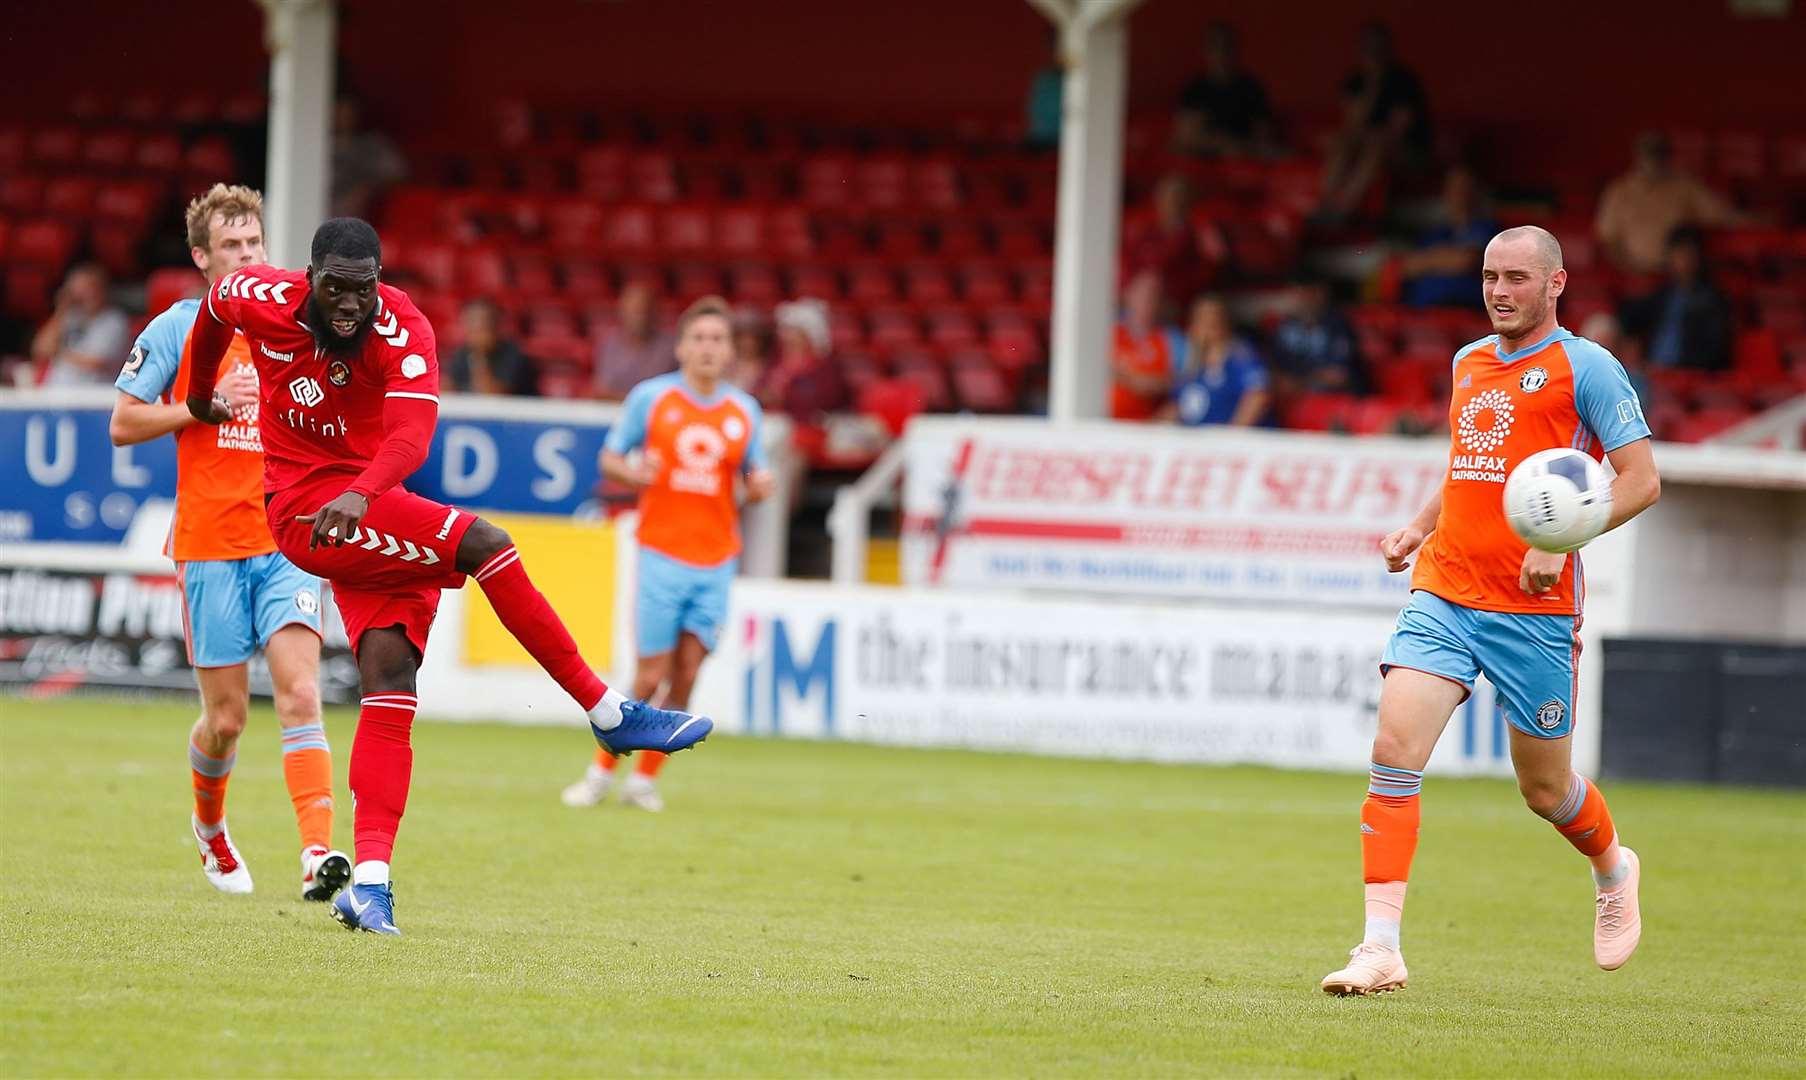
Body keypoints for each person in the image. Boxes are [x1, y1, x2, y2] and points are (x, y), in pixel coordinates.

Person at [181, 217, 713, 935]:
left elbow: (409, 435)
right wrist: (199, 400)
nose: (350, 306)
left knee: (390, 681)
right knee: (485, 543)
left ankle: (370, 884)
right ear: (310, 279)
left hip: (364, 503)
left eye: (363, 291)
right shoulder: (260, 296)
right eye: (337, 290)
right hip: (304, 513)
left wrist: (363, 494)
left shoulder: (402, 327)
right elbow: (214, 313)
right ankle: (608, 712)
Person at [1320, 226, 1661, 996]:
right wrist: (1419, 525)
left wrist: (1572, 531)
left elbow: (1641, 480)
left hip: (1533, 612)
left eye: (1515, 278)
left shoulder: (1589, 368)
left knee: (1545, 790)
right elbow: (1471, 466)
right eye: (1488, 276)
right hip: (1444, 590)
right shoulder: (1467, 362)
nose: (1499, 291)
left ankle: (1613, 867)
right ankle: (1380, 948)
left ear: (1555, 285)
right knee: (1394, 748)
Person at [109, 183, 348, 901]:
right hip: (210, 542)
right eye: (232, 247)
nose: (247, 256)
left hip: (285, 538)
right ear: (203, 258)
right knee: (227, 720)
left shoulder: (293, 326)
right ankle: (210, 833)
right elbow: (123, 422)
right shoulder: (179, 327)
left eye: (255, 243)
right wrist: (196, 408)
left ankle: (317, 855)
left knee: (302, 690)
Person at [562, 296, 775, 811]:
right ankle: (599, 774)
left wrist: (762, 485)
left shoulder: (744, 411)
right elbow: (610, 458)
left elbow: (755, 475)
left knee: (687, 673)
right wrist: (633, 473)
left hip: (717, 558)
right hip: (661, 552)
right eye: (698, 338)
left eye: (718, 340)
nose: (708, 348)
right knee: (649, 675)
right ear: (680, 347)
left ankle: (646, 780)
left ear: (730, 352)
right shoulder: (651, 399)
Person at [1319, 23, 1432, 219]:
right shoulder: (1355, 80)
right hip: (1367, 142)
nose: (1374, 54)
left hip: (1408, 151)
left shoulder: (1404, 80)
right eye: (1368, 49)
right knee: (1341, 143)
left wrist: (1369, 137)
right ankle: (1325, 204)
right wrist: (1372, 85)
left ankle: (1344, 208)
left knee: (1375, 147)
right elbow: (1353, 124)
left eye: (1378, 49)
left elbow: (1398, 130)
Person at [1596, 133, 1745, 276]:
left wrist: (1756, 220)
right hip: (1634, 276)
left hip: (1676, 278)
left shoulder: (1686, 186)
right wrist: (1627, 270)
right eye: (1650, 153)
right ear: (1638, 156)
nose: (1654, 160)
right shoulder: (1618, 191)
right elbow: (1609, 240)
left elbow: (1721, 215)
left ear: (1668, 156)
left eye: (1660, 153)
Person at [1616, 226, 1733, 372]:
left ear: (1698, 257)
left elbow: (1713, 355)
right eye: (1677, 254)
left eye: (1687, 254)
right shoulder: (1663, 296)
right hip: (1652, 373)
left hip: (1684, 377)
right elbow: (1629, 315)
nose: (1682, 261)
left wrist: (1675, 370)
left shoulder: (1712, 302)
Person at [1172, 23, 1277, 157]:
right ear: (1206, 51)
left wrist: (1241, 147)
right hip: (1203, 161)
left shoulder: (1251, 88)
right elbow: (1185, 139)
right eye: (1215, 47)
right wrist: (1221, 145)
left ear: (1236, 51)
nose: (1221, 54)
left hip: (1245, 159)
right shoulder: (1195, 90)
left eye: (1227, 47)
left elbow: (1264, 136)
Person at [1399, 166, 1497, 308]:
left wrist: (1430, 260)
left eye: (1464, 189)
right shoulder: (1436, 232)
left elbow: (1467, 261)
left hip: (1466, 310)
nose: (1459, 196)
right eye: (1453, 190)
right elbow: (1408, 267)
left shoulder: (1486, 228)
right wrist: (1444, 259)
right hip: (1425, 312)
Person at [1167, 295, 1269, 427]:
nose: (1208, 326)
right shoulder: (1191, 368)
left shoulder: (1240, 356)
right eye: (1202, 319)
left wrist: (1229, 438)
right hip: (1199, 442)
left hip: (1235, 444)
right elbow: (1176, 408)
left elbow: (1257, 396)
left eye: (1213, 318)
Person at [1121, 174, 1217, 312]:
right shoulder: (1140, 228)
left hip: (1175, 303)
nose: (1173, 204)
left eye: (1179, 199)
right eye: (1167, 198)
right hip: (1136, 299)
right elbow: (1125, 263)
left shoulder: (1200, 231)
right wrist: (1132, 292)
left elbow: (1207, 268)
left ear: (1189, 203)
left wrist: (1172, 293)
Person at [32, 264, 131, 387]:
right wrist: (61, 310)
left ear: (102, 290)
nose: (84, 296)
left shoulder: (114, 321)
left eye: (89, 288)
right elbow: (40, 349)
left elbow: (96, 363)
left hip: (91, 397)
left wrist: (58, 352)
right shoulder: (69, 317)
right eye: (79, 290)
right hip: (57, 394)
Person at [1270, 277, 1364, 394]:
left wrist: (1299, 382)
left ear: (1321, 293)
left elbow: (1339, 376)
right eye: (1297, 293)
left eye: (1308, 293)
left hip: (1333, 399)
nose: (1302, 299)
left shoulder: (1338, 326)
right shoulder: (1286, 326)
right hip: (1297, 398)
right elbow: (1273, 369)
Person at [1111, 270, 1183, 421]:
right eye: (1142, 294)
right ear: (1127, 295)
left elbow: (1185, 383)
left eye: (1154, 296)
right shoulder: (1108, 333)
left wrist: (1138, 381)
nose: (1147, 301)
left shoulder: (1173, 341)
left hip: (1150, 429)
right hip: (1104, 425)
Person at [759, 298, 848, 420]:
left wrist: (785, 397)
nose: (786, 336)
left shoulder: (824, 366)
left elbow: (829, 399)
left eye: (793, 332)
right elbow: (760, 387)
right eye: (784, 330)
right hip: (771, 418)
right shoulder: (775, 361)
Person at [592, 280, 676, 401]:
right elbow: (601, 391)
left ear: (655, 311)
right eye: (634, 310)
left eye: (644, 309)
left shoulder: (670, 347)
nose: (639, 316)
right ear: (621, 310)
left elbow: (665, 394)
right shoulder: (609, 345)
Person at [330, 95, 408, 220]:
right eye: (338, 109)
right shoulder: (311, 146)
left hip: (358, 218)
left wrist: (366, 189)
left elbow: (398, 175)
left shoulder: (372, 144)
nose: (342, 116)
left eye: (347, 110)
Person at [445, 298, 536, 395]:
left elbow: (492, 396)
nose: (475, 331)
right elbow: (448, 389)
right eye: (471, 323)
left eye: (482, 325)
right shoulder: (462, 353)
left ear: (496, 326)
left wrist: (479, 356)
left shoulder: (514, 354)